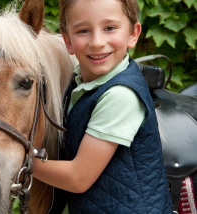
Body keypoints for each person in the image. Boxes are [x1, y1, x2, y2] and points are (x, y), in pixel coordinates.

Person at [33, 0, 173, 213]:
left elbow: (77, 177)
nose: (97, 42)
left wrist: (20, 160)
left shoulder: (120, 95)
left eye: (109, 28)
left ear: (133, 34)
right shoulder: (80, 83)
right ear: (68, 41)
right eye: (83, 30)